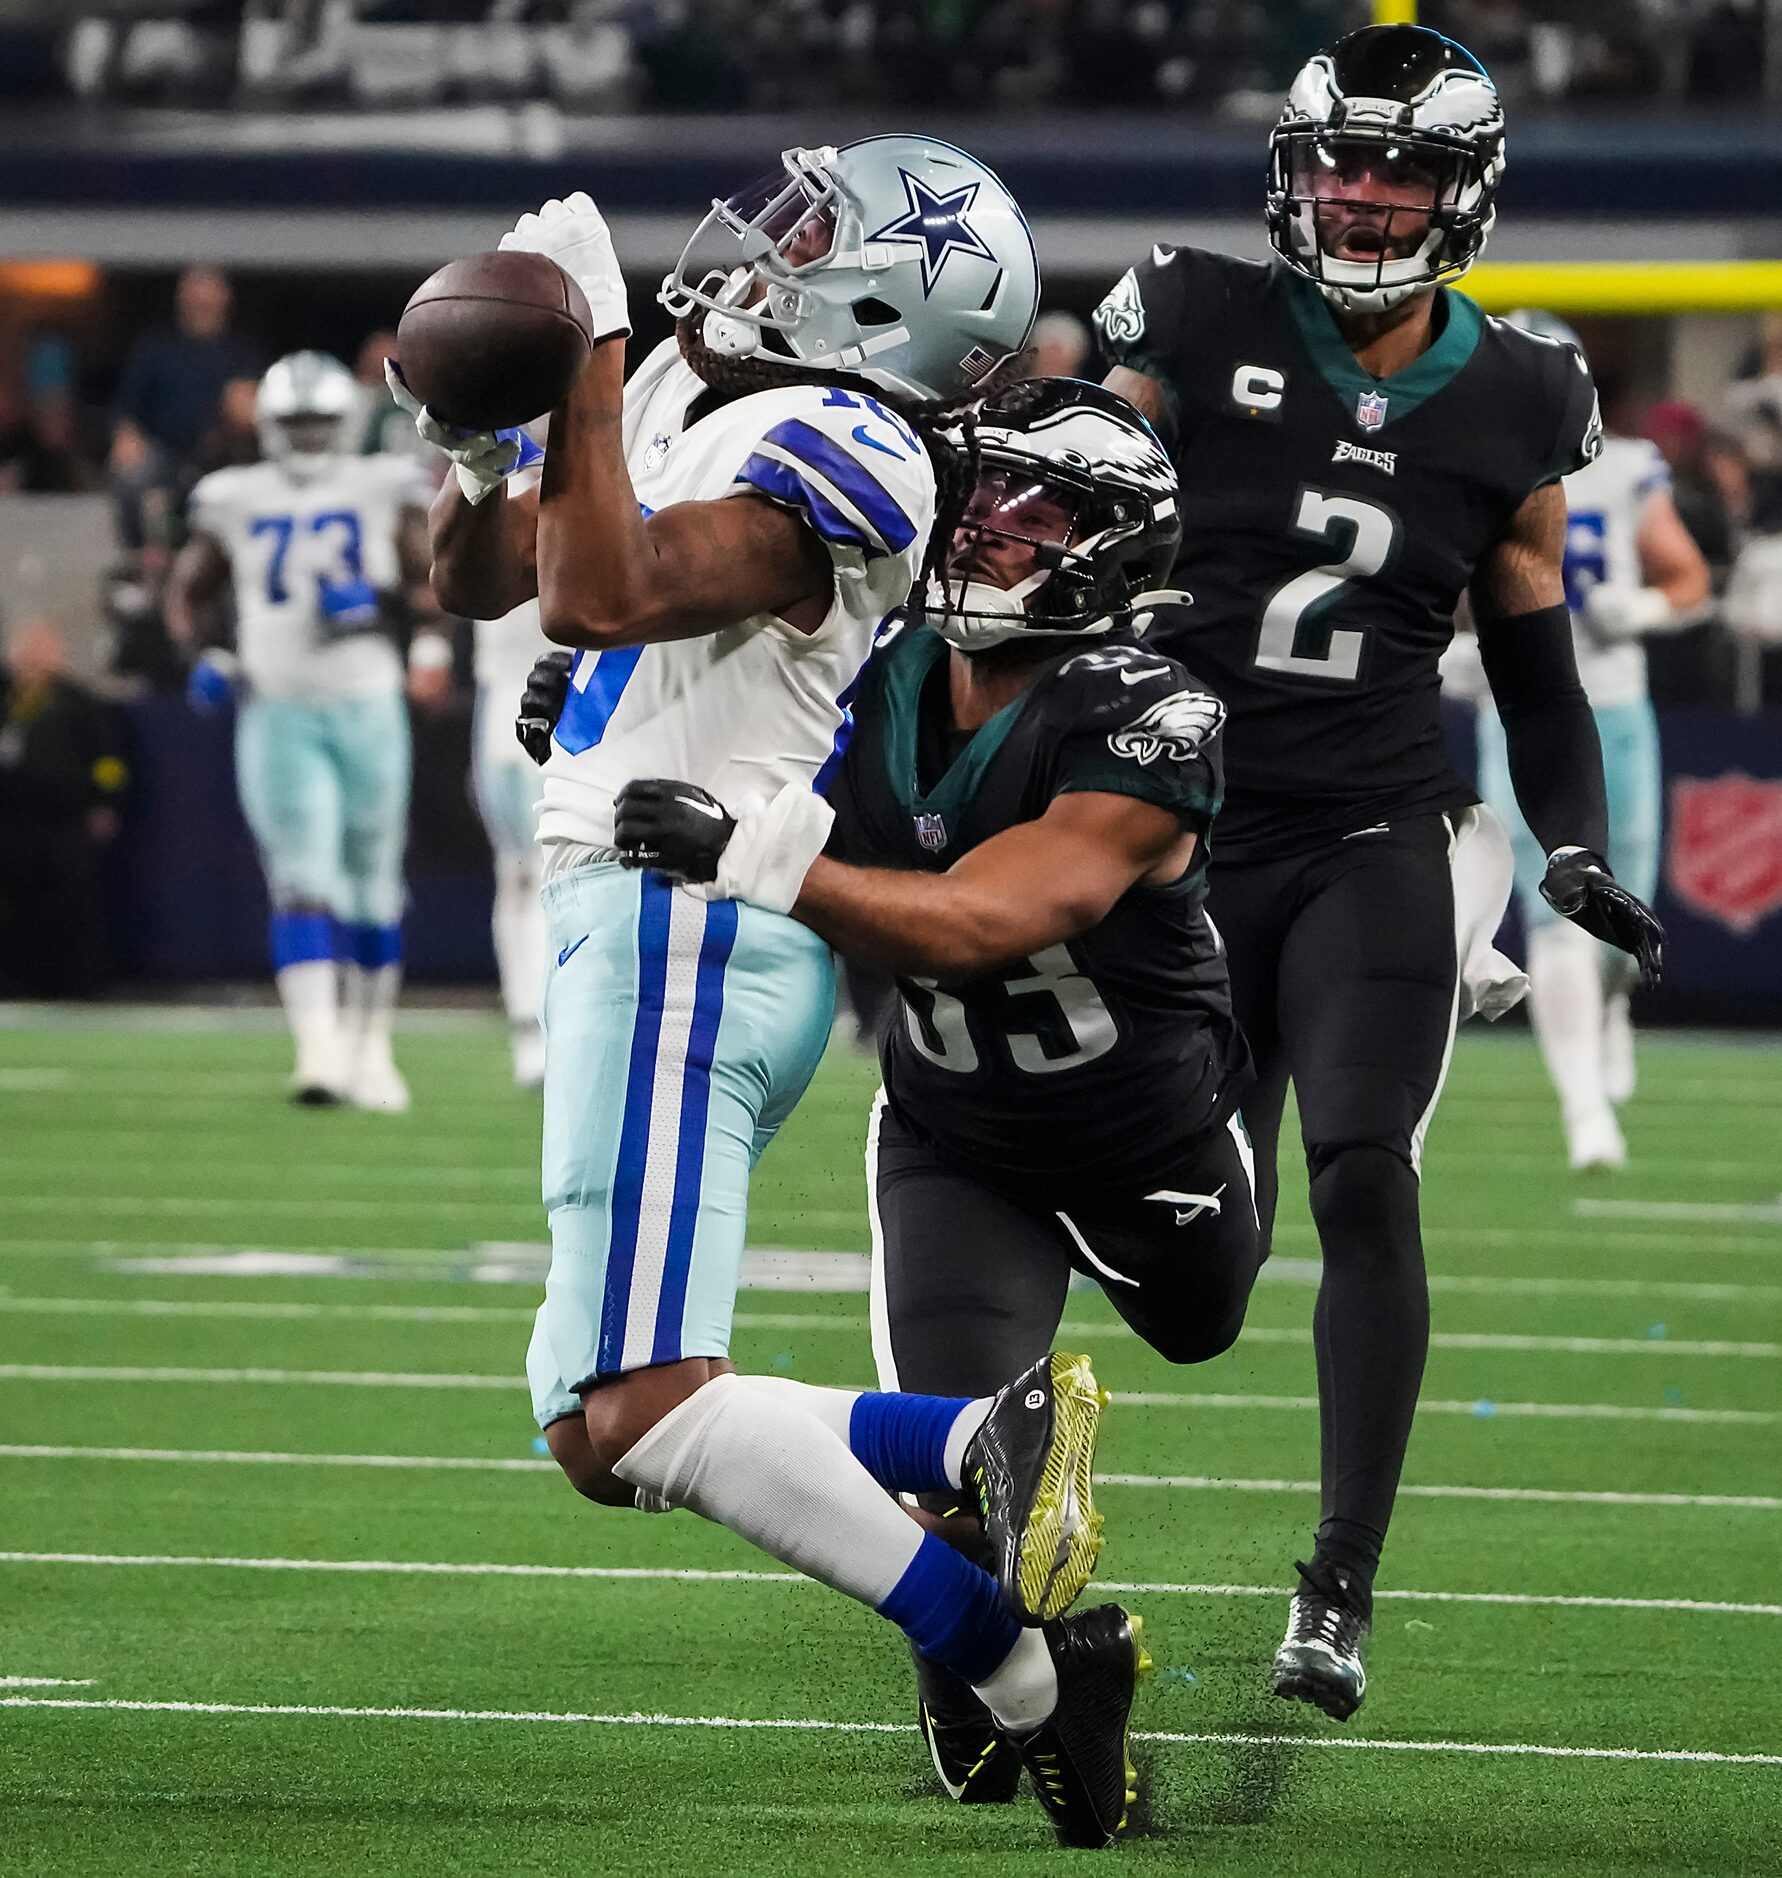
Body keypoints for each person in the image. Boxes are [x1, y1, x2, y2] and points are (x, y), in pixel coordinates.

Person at [413, 148, 1144, 1848]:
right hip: (631, 917)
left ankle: (1024, 1654)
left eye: (815, 236)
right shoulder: (695, 384)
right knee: (600, 1431)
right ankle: (974, 1450)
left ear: (892, 296)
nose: (766, 246)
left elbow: (602, 591)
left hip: (691, 923)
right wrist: (473, 434)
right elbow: (486, 578)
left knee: (651, 1402)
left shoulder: (867, 447)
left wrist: (583, 349)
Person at [1094, 23, 1664, 1720]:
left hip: (1372, 839)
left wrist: (1568, 842)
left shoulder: (1517, 391)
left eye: (1397, 167)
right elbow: (1044, 517)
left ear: (1463, 192)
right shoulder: (1187, 317)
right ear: (1289, 170)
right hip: (1167, 837)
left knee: (1364, 1177)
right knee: (1195, 1254)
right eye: (1337, 162)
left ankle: (1337, 1584)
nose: (1358, 195)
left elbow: (1537, 663)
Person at [608, 378, 1258, 1807]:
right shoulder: (874, 663)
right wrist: (600, 706)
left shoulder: (1146, 708)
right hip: (956, 1131)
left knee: (1204, 1326)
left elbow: (980, 919)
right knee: (952, 1472)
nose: (983, 530)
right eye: (976, 499)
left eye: (1031, 513)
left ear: (1110, 551)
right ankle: (1005, 1676)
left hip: (1144, 1128)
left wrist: (766, 860)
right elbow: (715, 717)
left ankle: (1007, 1660)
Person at [1448, 311, 1709, 1170]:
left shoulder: (1626, 469)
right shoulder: (1459, 467)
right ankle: (1584, 1110)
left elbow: (1689, 578)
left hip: (1615, 707)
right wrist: (1447, 653)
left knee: (1628, 915)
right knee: (1557, 913)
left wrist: (1639, 609)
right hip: (1518, 709)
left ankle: (1611, 1010)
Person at [165, 350, 441, 1110]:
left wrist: (426, 640)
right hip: (278, 704)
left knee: (374, 882)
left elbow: (428, 574)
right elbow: (187, 589)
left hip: (367, 698)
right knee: (301, 878)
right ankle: (319, 1046)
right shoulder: (234, 497)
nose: (312, 435)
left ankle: (371, 1045)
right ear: (268, 425)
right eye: (298, 422)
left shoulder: (381, 485)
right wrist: (208, 652)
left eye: (323, 421)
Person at [0, 619, 126, 997]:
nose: (30, 661)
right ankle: (14, 982)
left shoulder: (79, 703)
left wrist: (105, 802)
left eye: (39, 652)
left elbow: (109, 761)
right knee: (13, 904)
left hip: (64, 822)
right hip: (11, 822)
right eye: (24, 653)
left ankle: (76, 985)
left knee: (70, 903)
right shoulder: (6, 699)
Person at [110, 267, 263, 549]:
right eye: (195, 291)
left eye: (209, 291)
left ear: (224, 298)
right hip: (164, 451)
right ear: (181, 297)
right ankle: (144, 556)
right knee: (133, 474)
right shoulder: (154, 346)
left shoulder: (242, 351)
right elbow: (127, 411)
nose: (202, 300)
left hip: (220, 453)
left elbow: (251, 409)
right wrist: (126, 437)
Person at [473, 591, 552, 1087]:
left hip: (566, 685)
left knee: (551, 872)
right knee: (517, 872)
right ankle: (527, 1024)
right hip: (502, 690)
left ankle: (547, 1024)